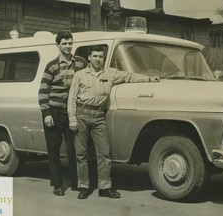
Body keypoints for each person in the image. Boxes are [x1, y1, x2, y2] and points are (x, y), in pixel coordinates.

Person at [67, 45, 160, 199]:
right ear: (89, 58)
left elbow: (129, 76)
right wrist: (72, 118)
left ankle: (104, 188)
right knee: (81, 154)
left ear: (104, 58)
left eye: (100, 56)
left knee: (104, 154)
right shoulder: (80, 75)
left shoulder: (110, 73)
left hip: (98, 116)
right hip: (81, 114)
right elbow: (71, 98)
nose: (98, 59)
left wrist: (149, 79)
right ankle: (83, 187)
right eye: (95, 56)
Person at [38, 31, 88, 196]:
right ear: (58, 45)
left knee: (75, 148)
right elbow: (43, 91)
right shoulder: (52, 66)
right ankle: (57, 185)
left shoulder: (80, 63)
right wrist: (46, 113)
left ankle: (76, 184)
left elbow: (89, 81)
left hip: (73, 113)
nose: (68, 46)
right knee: (54, 149)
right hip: (54, 112)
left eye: (70, 43)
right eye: (64, 43)